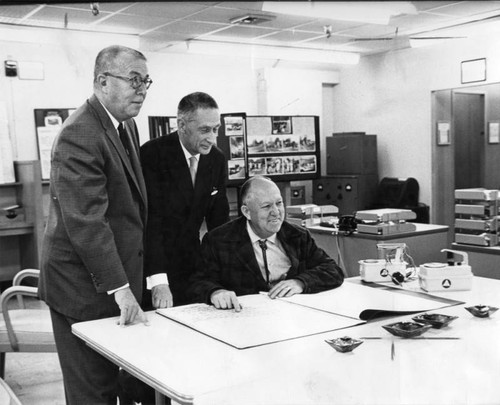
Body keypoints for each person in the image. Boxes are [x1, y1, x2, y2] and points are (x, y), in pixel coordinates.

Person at [38, 45, 151, 405]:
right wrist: (121, 288)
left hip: (107, 280)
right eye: (133, 80)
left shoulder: (125, 125)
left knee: (115, 383)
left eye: (146, 80)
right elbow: (88, 222)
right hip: (81, 289)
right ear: (103, 80)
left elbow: (128, 210)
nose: (142, 89)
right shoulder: (80, 133)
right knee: (93, 393)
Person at [188, 176, 344, 310]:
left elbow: (333, 270)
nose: (276, 212)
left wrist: (300, 282)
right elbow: (198, 282)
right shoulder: (218, 240)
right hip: (242, 321)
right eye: (266, 206)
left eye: (279, 203)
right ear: (246, 212)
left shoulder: (297, 236)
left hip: (290, 317)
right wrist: (215, 292)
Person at [140, 92, 229, 308]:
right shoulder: (152, 154)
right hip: (154, 265)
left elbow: (220, 223)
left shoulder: (216, 159)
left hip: (192, 264)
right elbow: (151, 223)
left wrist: (225, 275)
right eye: (205, 130)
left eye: (216, 129)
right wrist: (159, 281)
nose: (212, 138)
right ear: (182, 125)